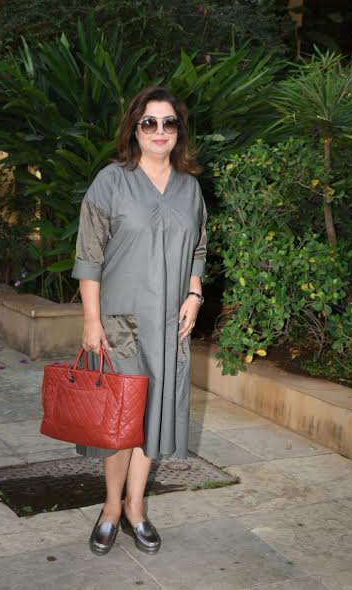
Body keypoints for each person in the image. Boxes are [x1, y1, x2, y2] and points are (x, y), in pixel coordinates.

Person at [71, 85, 207, 556]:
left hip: (169, 326)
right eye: (150, 122)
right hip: (120, 324)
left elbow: (199, 247)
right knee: (121, 423)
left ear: (179, 131)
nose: (159, 131)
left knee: (153, 419)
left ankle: (135, 508)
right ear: (134, 128)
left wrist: (195, 293)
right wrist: (92, 320)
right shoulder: (111, 181)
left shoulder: (190, 188)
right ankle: (110, 508)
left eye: (169, 122)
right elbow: (89, 256)